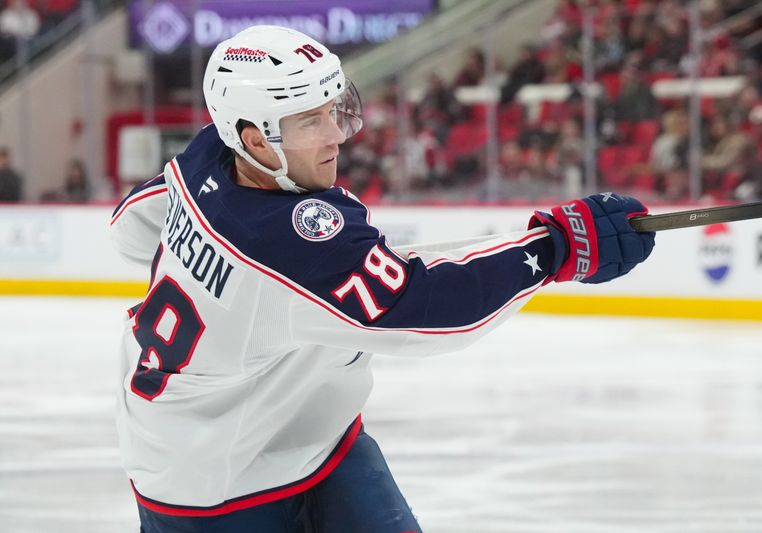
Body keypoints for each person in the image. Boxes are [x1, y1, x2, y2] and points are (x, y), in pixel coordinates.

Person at [110, 25, 656, 533]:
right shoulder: (288, 242)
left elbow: (130, 227)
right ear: (254, 140)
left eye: (332, 111)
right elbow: (430, 305)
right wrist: (558, 248)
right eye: (309, 122)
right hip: (211, 486)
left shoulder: (208, 155)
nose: (335, 137)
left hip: (306, 434)